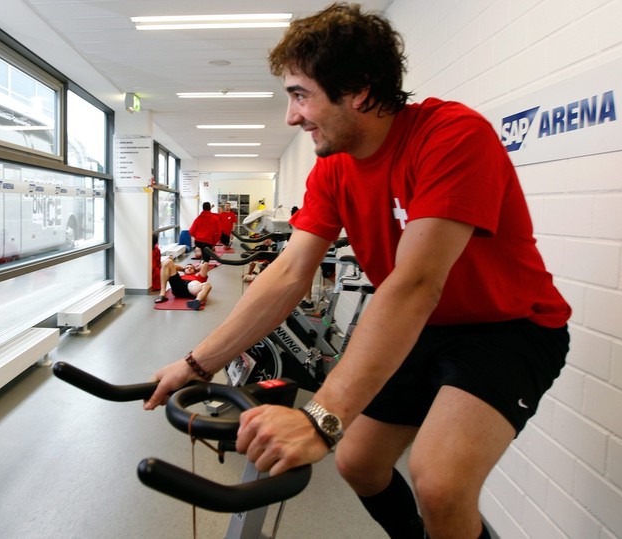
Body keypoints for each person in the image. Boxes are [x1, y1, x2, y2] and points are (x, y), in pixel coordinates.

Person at [144, 4, 571, 539]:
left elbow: (416, 284)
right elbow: (288, 272)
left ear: (360, 92)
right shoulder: (334, 166)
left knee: (438, 483)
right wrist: (197, 363)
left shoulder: (453, 136)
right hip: (427, 329)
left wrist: (321, 418)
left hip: (507, 329)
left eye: (301, 95)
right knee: (359, 463)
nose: (292, 116)